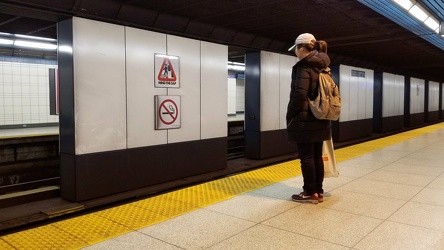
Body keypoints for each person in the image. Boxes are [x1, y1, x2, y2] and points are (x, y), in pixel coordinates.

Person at [286, 33, 331, 204]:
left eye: (296, 49)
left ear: (302, 48)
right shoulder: (323, 66)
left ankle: (308, 192)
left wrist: (291, 114)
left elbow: (299, 94)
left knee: (306, 157)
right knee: (317, 156)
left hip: (305, 118)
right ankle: (318, 191)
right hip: (321, 117)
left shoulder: (304, 67)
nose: (295, 52)